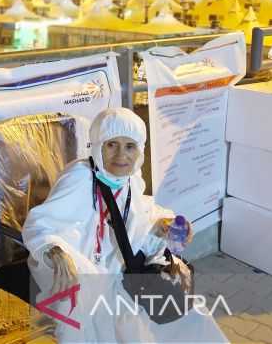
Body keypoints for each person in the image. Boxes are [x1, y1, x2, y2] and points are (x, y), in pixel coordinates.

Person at [22, 107, 227, 343]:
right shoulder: (79, 177)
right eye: (112, 145)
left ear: (139, 151)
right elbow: (41, 223)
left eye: (130, 146)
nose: (121, 155)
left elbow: (139, 219)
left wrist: (163, 226)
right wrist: (53, 249)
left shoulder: (130, 181)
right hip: (81, 270)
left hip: (120, 272)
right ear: (98, 145)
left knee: (188, 316)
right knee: (87, 318)